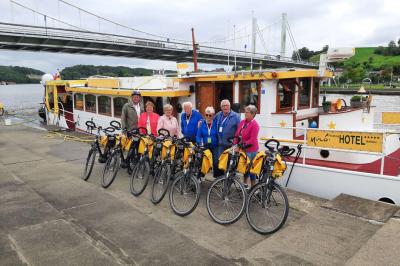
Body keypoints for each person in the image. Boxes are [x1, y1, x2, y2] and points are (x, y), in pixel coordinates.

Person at [213, 99, 240, 177]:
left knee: (230, 164)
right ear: (221, 107)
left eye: (227, 105)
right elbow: (212, 123)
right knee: (220, 162)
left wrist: (236, 144)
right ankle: (220, 180)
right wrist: (202, 122)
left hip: (231, 146)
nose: (225, 107)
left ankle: (230, 180)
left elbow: (239, 130)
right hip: (220, 145)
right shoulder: (218, 115)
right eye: (223, 106)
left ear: (230, 106)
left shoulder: (236, 116)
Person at [234, 105, 260, 188]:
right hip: (242, 148)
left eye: (247, 112)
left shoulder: (255, 125)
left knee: (251, 169)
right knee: (245, 168)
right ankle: (244, 185)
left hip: (251, 150)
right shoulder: (242, 122)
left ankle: (253, 187)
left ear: (253, 114)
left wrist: (240, 146)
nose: (245, 113)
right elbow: (237, 134)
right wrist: (235, 144)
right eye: (245, 112)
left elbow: (252, 140)